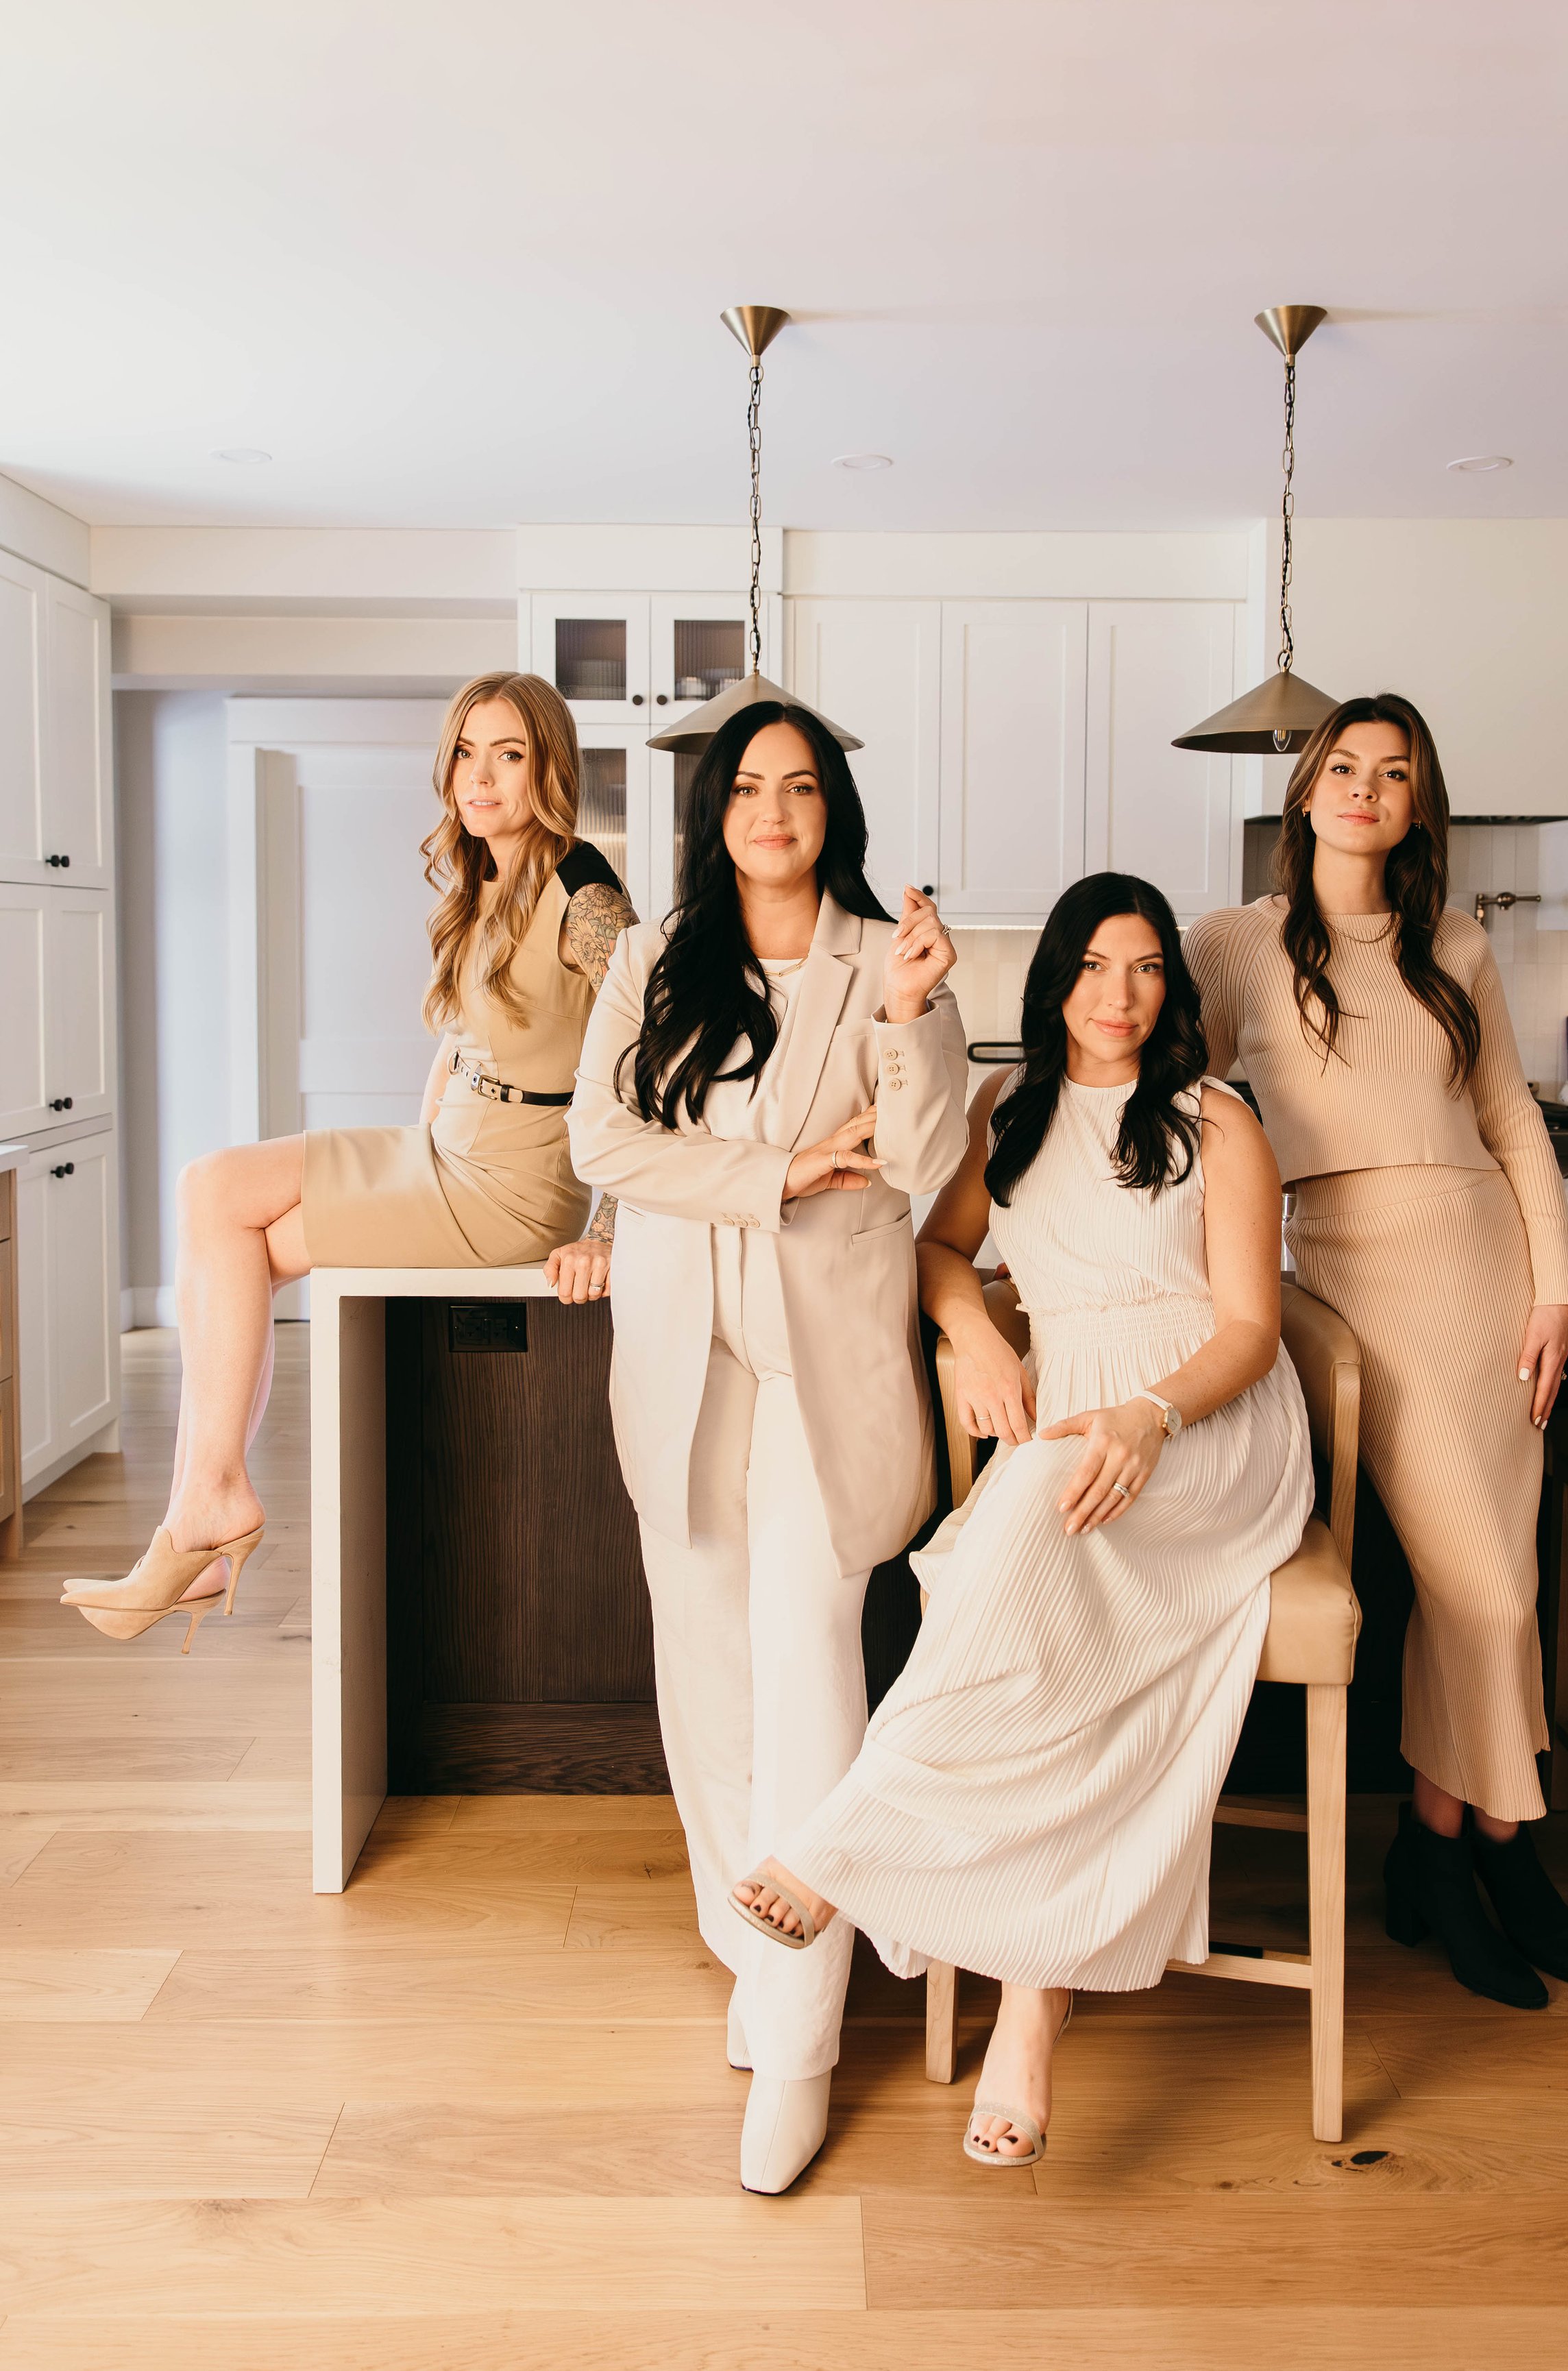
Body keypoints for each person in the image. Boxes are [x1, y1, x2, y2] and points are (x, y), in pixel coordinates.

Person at [729, 872, 1312, 2170]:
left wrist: (1151, 1415)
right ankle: (1029, 2018)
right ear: (1057, 981)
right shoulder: (1008, 1109)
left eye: (1147, 968)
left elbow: (1251, 1330)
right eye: (1095, 966)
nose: (1121, 994)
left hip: (1205, 1421)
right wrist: (980, 1338)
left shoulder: (1217, 1120)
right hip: (1071, 1408)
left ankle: (840, 1848)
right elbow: (938, 1253)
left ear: (1172, 988)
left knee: (1023, 1540)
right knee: (1042, 1603)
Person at [565, 700, 966, 2195]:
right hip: (682, 1358)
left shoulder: (885, 957)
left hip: (823, 1368)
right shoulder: (652, 958)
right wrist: (776, 1170)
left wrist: (913, 1018)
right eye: (747, 786)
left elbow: (921, 1163)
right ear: (715, 811)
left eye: (800, 786)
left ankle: (799, 2043)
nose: (773, 809)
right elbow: (602, 1146)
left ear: (832, 810)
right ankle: (754, 1957)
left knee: (807, 1667)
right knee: (708, 1682)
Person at [62, 670, 632, 1647]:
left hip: (512, 1189)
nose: (479, 777)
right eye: (466, 752)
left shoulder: (586, 895)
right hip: (447, 1155)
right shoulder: (486, 875)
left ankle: (206, 1511)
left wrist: (608, 1230)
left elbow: (649, 1065)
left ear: (548, 770)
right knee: (234, 1232)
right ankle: (201, 1509)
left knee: (215, 1193)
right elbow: (459, 1042)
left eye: (508, 755)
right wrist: (419, 1138)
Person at [1184, 692, 1568, 2009]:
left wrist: (1558, 1290)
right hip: (1360, 1274)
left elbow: (1512, 1121)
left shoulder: (1455, 944)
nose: (1366, 789)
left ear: (1420, 807)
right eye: (1346, 767)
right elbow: (1168, 1103)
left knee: (1491, 1573)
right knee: (1485, 1589)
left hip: (1489, 1267)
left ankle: (1450, 1843)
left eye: (1396, 773)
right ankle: (1489, 1841)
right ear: (1306, 789)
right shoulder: (1233, 945)